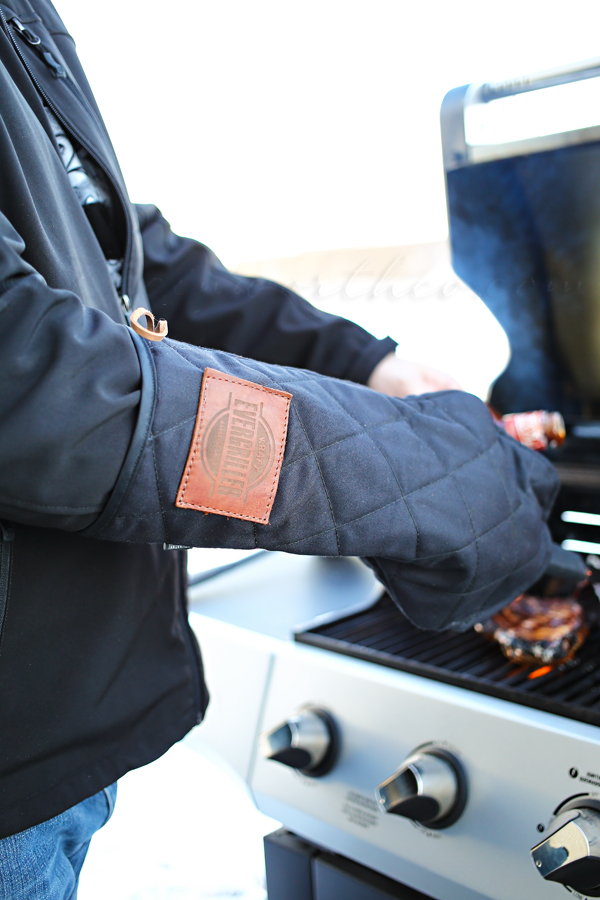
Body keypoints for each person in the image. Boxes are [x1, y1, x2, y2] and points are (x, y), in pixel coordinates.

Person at [0, 0, 558, 896]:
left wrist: (369, 365)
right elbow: (29, 380)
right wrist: (422, 471)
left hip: (63, 728)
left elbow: (126, 255)